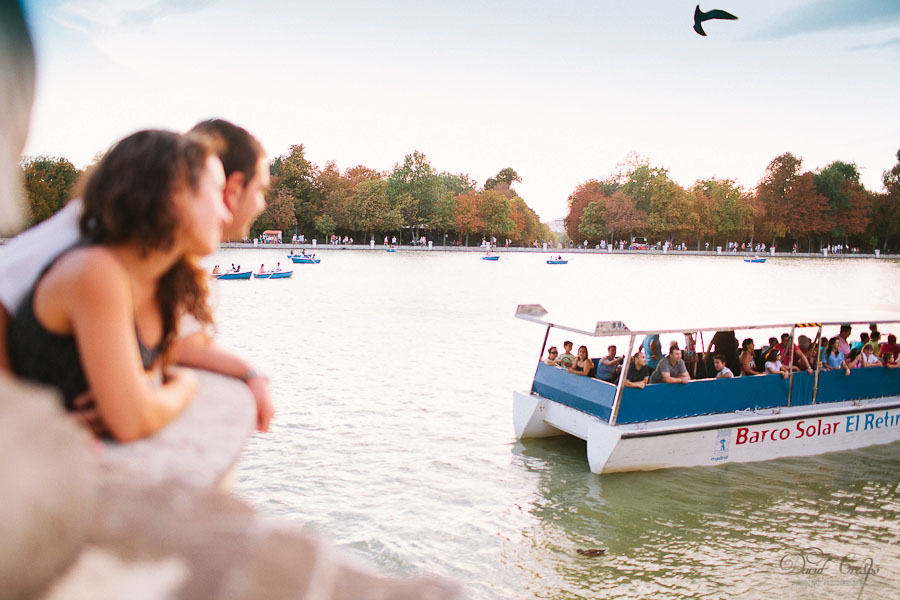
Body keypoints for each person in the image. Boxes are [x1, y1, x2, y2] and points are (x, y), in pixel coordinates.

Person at [0, 119, 274, 433]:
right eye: (216, 191)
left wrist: (251, 374)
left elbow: (179, 346)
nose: (227, 209)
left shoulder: (159, 270)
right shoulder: (91, 251)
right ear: (177, 193)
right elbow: (134, 419)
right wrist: (20, 416)